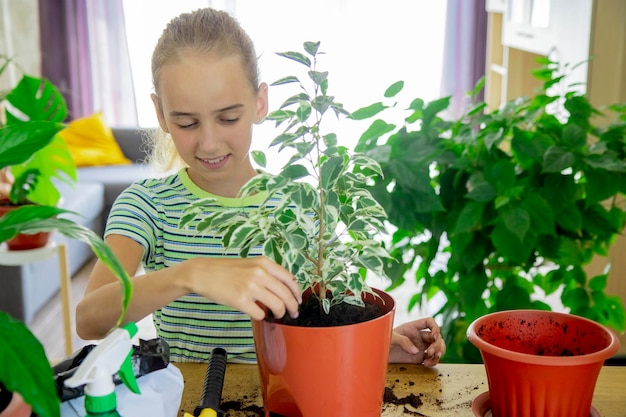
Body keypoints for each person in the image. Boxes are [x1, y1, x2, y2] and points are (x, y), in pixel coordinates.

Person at [75, 7, 446, 366]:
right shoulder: (147, 206)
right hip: (189, 401)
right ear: (160, 114)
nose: (209, 143)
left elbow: (323, 320)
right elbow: (89, 320)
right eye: (187, 123)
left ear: (260, 102)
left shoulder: (303, 206)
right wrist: (191, 274)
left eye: (228, 118)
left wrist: (382, 345)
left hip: (289, 395)